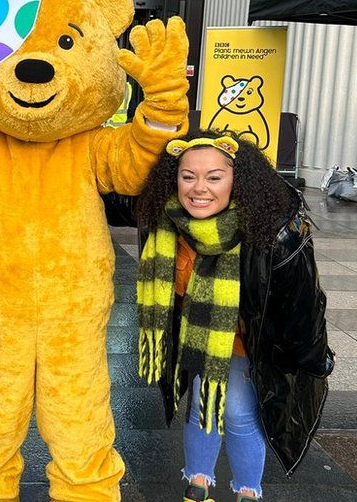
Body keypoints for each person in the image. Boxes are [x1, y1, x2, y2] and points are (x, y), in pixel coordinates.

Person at [134, 130, 335, 502]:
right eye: (188, 175)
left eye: (214, 177)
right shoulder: (164, 221)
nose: (199, 188)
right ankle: (198, 482)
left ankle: (247, 491)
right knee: (199, 404)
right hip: (198, 340)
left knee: (240, 413)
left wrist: (311, 360)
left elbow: (303, 306)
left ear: (236, 180)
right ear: (173, 178)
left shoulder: (273, 233)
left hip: (251, 346)